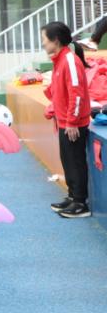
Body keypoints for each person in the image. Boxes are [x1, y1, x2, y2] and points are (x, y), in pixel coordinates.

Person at [42, 22, 93, 219]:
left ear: (55, 40)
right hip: (63, 121)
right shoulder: (59, 60)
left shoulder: (70, 60)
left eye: (45, 40)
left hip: (73, 123)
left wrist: (72, 121)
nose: (44, 45)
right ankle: (73, 196)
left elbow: (77, 92)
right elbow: (59, 90)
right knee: (68, 160)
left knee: (76, 161)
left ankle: (81, 203)